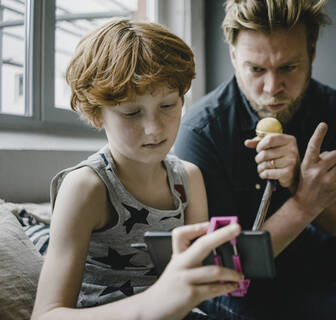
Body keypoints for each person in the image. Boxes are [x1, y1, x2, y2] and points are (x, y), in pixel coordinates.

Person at [174, 0, 336, 319]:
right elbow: (224, 267)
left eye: (288, 67)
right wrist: (304, 204)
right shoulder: (202, 131)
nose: (272, 89)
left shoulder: (326, 104)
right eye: (256, 69)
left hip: (301, 246)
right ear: (233, 56)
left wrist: (300, 179)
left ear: (312, 53)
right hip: (235, 284)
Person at [31, 19, 245, 320]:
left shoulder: (188, 178)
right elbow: (46, 315)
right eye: (132, 112)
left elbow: (195, 282)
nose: (154, 128)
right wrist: (155, 303)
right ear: (96, 115)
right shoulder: (86, 187)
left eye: (168, 106)